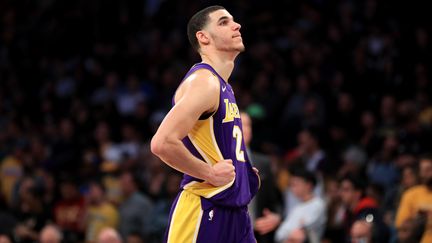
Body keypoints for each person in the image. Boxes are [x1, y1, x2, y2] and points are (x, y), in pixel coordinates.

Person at [151, 5, 259, 243]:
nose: (236, 25)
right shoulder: (204, 82)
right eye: (223, 22)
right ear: (203, 37)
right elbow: (162, 143)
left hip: (236, 213)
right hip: (205, 209)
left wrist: (244, 173)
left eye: (233, 20)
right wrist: (208, 172)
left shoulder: (222, 86)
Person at [396, 155, 432, 243]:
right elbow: (401, 226)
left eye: (428, 170)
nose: (424, 174)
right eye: (422, 170)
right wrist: (418, 220)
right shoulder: (410, 194)